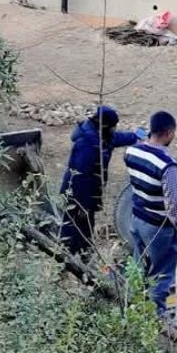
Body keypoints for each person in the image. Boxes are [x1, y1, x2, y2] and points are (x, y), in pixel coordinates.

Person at [124, 111, 177, 317]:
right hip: (158, 227)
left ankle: (133, 307)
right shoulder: (167, 166)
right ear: (169, 133)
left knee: (138, 267)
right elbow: (173, 207)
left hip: (136, 219)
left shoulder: (131, 152)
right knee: (165, 275)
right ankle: (159, 319)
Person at [59, 106, 139, 256]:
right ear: (105, 126)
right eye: (113, 126)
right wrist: (83, 205)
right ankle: (68, 260)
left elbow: (115, 138)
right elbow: (80, 176)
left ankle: (81, 257)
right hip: (77, 195)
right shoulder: (88, 144)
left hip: (87, 194)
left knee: (85, 229)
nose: (115, 129)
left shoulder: (99, 134)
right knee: (75, 230)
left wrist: (136, 137)